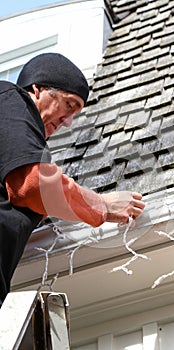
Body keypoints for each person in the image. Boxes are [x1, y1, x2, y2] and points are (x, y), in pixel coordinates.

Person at [0, 53, 145, 305]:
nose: (68, 122)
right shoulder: (10, 98)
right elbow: (34, 185)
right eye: (69, 105)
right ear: (38, 89)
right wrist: (103, 205)